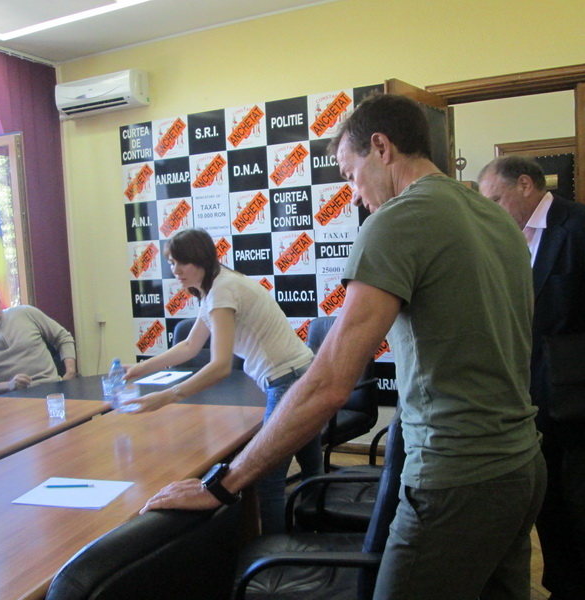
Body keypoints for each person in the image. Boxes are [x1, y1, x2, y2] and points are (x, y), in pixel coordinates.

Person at [142, 94, 546, 600]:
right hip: (522, 464)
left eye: (351, 174)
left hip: (456, 478)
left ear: (381, 147)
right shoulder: (497, 219)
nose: (353, 194)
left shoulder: (398, 220)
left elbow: (329, 384)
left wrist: (223, 483)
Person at [479, 155, 585, 600]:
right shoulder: (505, 243)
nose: (491, 211)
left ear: (524, 185)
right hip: (536, 408)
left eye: (494, 200)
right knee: (549, 510)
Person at [122, 227, 322, 535]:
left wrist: (167, 396)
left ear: (200, 259)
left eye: (182, 263)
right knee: (310, 466)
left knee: (266, 477)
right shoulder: (218, 286)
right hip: (302, 373)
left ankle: (275, 549)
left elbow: (219, 367)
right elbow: (190, 346)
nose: (175, 270)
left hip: (288, 381)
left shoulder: (221, 291)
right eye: (172, 263)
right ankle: (316, 528)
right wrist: (140, 369)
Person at [0, 283, 77, 396]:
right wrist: (8, 385)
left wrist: (70, 371)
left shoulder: (25, 313)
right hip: (9, 397)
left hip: (52, 388)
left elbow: (63, 337)